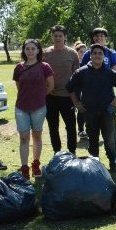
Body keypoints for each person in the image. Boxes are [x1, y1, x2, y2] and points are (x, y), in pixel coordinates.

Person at [67, 44, 116, 170]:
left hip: (107, 111)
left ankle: (112, 162)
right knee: (93, 138)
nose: (97, 55)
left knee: (109, 139)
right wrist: (76, 103)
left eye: (100, 53)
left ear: (104, 57)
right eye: (95, 53)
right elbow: (69, 87)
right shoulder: (82, 72)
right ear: (90, 56)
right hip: (89, 111)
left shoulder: (109, 73)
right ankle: (94, 163)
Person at [80, 28, 116, 168]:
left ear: (106, 38)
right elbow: (83, 71)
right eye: (96, 36)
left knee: (111, 129)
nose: (99, 38)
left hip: (107, 97)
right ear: (93, 39)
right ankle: (94, 160)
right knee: (92, 130)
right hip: (91, 98)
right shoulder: (87, 53)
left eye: (102, 36)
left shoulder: (111, 53)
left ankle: (115, 155)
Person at [13, 39, 54, 178]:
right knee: (24, 138)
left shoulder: (45, 66)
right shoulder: (19, 67)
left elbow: (51, 86)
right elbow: (19, 86)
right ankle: (24, 167)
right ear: (24, 51)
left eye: (33, 48)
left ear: (38, 50)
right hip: (21, 108)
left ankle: (35, 164)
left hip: (39, 107)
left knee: (36, 136)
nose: (30, 51)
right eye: (27, 48)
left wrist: (39, 97)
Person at [43, 25, 79, 154]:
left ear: (65, 37)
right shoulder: (45, 53)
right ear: (52, 37)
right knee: (53, 127)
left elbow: (76, 75)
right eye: (55, 35)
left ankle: (72, 152)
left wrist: (76, 96)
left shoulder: (72, 53)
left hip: (67, 97)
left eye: (60, 36)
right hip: (50, 96)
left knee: (70, 127)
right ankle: (56, 153)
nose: (58, 38)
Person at [74, 41, 88, 140]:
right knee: (81, 109)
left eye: (85, 52)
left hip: (87, 90)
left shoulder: (88, 63)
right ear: (77, 52)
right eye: (81, 52)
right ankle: (80, 130)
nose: (83, 54)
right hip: (77, 90)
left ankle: (88, 129)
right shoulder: (75, 63)